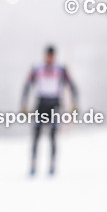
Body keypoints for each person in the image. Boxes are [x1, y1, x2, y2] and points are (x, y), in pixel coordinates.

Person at [21, 46, 78, 177]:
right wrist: (24, 104)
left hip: (54, 105)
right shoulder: (37, 68)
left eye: (52, 56)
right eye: (48, 56)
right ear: (44, 56)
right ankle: (33, 165)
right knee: (36, 136)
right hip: (41, 104)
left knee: (52, 137)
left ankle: (52, 165)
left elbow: (72, 86)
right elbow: (27, 86)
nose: (49, 59)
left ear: (55, 56)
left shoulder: (60, 69)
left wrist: (74, 104)